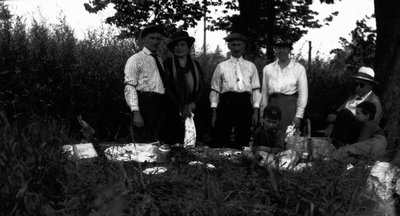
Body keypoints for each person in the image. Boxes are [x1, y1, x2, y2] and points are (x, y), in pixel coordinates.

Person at [210, 33, 261, 149]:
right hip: (226, 103)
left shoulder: (251, 66)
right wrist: (214, 111)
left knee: (243, 137)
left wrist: (256, 110)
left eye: (239, 45)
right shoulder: (221, 66)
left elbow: (256, 90)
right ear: (229, 47)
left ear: (244, 47)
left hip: (244, 104)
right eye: (234, 45)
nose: (236, 48)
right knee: (221, 136)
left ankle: (242, 163)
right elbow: (215, 90)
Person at [124, 25, 166, 143]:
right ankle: (141, 162)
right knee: (143, 141)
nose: (155, 41)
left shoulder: (159, 60)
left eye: (158, 39)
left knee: (156, 139)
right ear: (143, 39)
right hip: (144, 103)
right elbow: (129, 86)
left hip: (159, 103)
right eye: (152, 38)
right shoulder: (135, 59)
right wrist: (136, 112)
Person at [163, 31, 204, 145]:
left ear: (188, 47)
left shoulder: (195, 64)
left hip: (193, 108)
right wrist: (180, 106)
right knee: (174, 141)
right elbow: (167, 87)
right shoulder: (168, 64)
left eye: (182, 44)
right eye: (176, 45)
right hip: (173, 107)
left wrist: (193, 104)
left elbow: (201, 87)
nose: (179, 48)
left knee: (191, 141)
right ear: (172, 48)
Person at [324, 66, 382, 147]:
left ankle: (339, 145)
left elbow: (370, 126)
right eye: (356, 84)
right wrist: (332, 123)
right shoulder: (353, 96)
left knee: (345, 114)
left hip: (357, 134)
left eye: (361, 85)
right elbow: (337, 112)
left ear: (370, 86)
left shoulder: (374, 102)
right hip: (342, 127)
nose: (357, 87)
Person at [260, 39, 308, 134]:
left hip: (290, 106)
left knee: (288, 136)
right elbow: (264, 93)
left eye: (285, 48)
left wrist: (299, 116)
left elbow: (303, 94)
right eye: (279, 48)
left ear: (290, 50)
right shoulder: (268, 69)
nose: (282, 51)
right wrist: (262, 114)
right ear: (275, 50)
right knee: (271, 134)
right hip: (272, 105)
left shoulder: (299, 69)